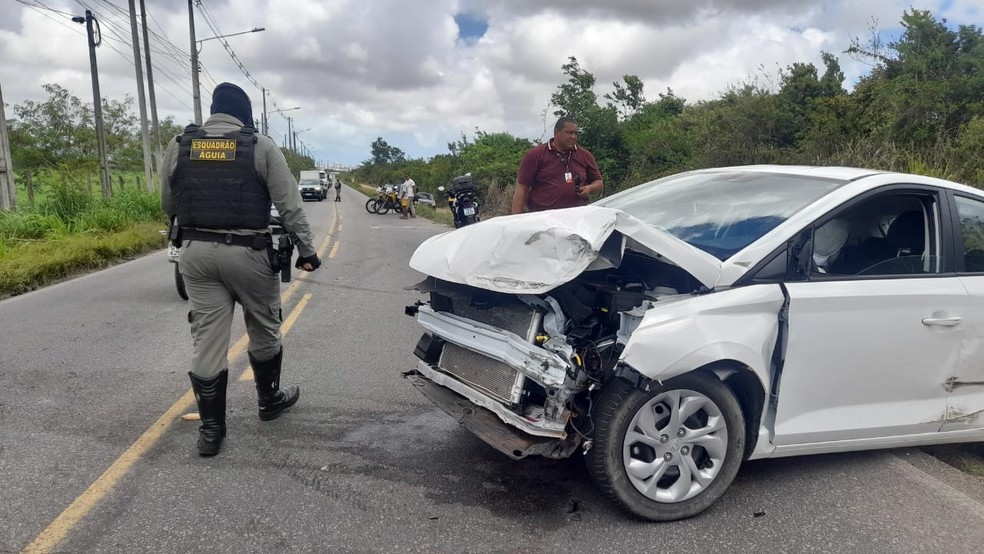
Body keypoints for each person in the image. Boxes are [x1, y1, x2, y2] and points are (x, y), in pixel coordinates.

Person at [160, 82, 321, 457]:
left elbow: (169, 202)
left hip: (195, 254)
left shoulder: (181, 144)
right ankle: (269, 402)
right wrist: (307, 251)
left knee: (207, 338)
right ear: (245, 114)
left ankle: (212, 431)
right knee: (264, 326)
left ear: (213, 110)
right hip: (249, 252)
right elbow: (290, 205)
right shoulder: (260, 145)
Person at [512, 116, 603, 213]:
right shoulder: (535, 155)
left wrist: (589, 188)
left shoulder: (585, 155)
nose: (573, 137)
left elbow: (598, 181)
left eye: (576, 133)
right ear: (556, 132)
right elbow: (521, 188)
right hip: (543, 218)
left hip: (576, 217)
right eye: (569, 133)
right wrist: (516, 220)